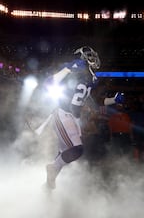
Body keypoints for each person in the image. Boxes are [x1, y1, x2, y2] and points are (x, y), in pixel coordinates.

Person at [41, 46, 124, 190]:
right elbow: (48, 83)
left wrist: (113, 100)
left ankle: (47, 187)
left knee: (64, 153)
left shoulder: (90, 78)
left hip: (74, 118)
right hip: (62, 113)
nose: (93, 59)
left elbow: (95, 101)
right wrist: (68, 69)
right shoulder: (72, 69)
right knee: (76, 150)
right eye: (90, 56)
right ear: (82, 56)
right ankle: (52, 169)